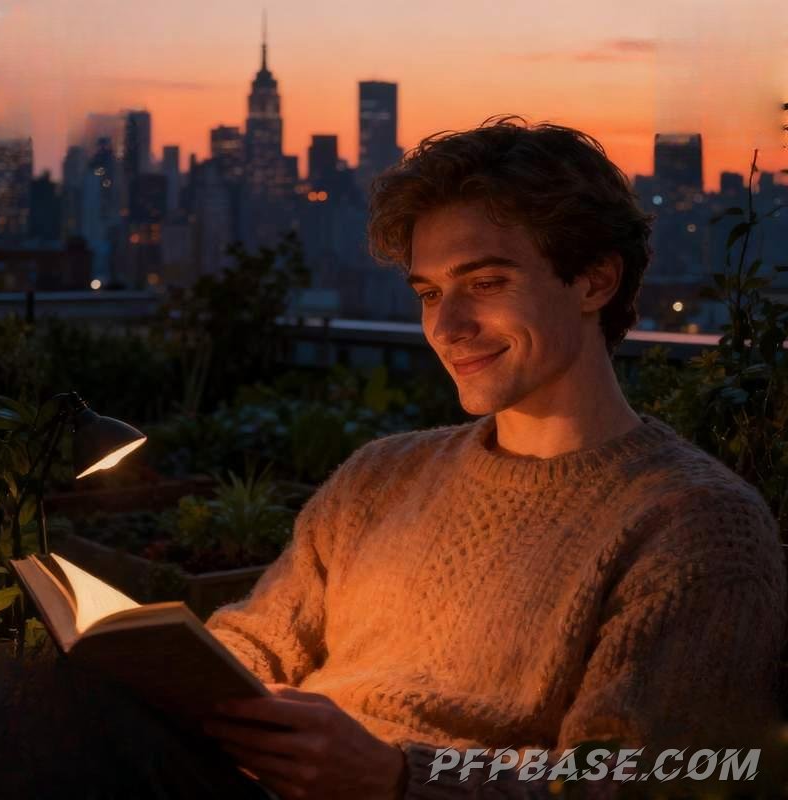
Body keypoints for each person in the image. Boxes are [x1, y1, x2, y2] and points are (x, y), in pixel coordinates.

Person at [201, 116, 787, 798]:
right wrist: (175, 668)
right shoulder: (379, 477)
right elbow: (260, 640)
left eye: (484, 283)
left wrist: (392, 779)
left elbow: (629, 784)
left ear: (595, 281)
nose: (447, 327)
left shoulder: (695, 527)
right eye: (428, 294)